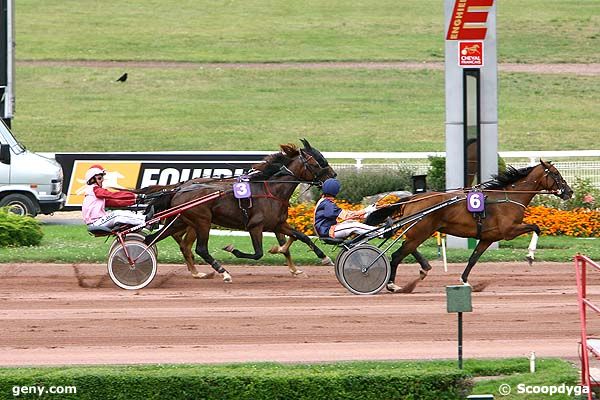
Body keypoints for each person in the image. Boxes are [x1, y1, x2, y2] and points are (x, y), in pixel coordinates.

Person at [82, 165, 149, 229]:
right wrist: (134, 195)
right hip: (95, 223)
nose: (102, 180)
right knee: (117, 214)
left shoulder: (95, 195)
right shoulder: (94, 189)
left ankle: (146, 224)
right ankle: (146, 219)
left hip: (98, 222)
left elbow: (116, 203)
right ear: (92, 180)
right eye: (99, 178)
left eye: (102, 177)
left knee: (124, 213)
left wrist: (135, 201)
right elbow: (113, 195)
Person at [313, 178, 378, 239]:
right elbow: (347, 215)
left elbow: (344, 215)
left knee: (351, 222)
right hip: (327, 232)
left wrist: (365, 214)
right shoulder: (328, 204)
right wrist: (366, 210)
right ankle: (380, 232)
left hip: (325, 230)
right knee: (355, 226)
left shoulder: (323, 201)